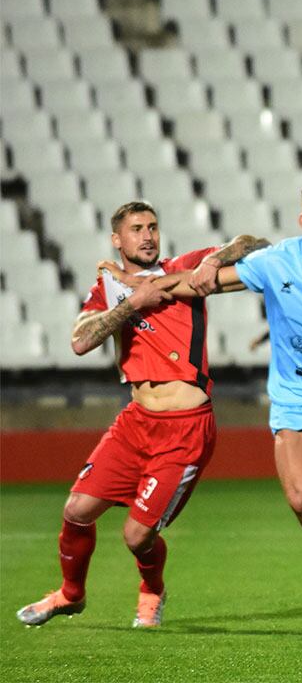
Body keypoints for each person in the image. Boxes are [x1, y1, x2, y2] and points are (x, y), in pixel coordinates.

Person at [128, 179, 302, 627]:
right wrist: (147, 291)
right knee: (301, 501)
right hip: (292, 400)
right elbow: (206, 283)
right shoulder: (277, 262)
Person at [16, 202, 265, 628]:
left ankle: (152, 590)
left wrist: (214, 258)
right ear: (118, 239)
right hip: (135, 422)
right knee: (76, 510)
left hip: (185, 430)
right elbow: (80, 341)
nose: (147, 235)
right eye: (136, 229)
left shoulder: (184, 268)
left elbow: (253, 245)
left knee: (137, 536)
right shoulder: (109, 290)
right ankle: (70, 594)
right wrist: (134, 301)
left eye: (152, 227)